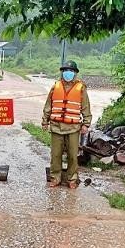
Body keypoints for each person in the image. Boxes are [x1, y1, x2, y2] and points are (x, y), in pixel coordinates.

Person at [42, 60, 92, 189]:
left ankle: (72, 179)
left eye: (70, 71)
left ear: (75, 73)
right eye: (65, 71)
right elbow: (48, 105)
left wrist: (86, 124)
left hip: (73, 128)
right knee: (56, 155)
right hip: (56, 126)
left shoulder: (81, 88)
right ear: (62, 72)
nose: (68, 73)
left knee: (72, 156)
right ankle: (55, 178)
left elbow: (85, 107)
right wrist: (45, 121)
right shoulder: (55, 86)